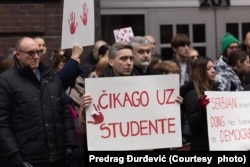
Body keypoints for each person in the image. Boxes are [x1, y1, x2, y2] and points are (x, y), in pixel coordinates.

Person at [0, 37, 77, 167]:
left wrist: (70, 143)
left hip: (57, 156)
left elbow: (64, 111)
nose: (36, 56)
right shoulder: (6, 81)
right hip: (28, 157)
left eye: (38, 52)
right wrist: (14, 155)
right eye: (30, 53)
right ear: (18, 54)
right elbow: (2, 121)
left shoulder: (51, 77)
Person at [180, 56, 216, 151]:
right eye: (208, 69)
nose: (213, 71)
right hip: (202, 143)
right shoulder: (192, 93)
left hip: (214, 141)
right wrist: (203, 110)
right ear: (200, 71)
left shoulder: (215, 89)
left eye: (213, 67)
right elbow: (194, 123)